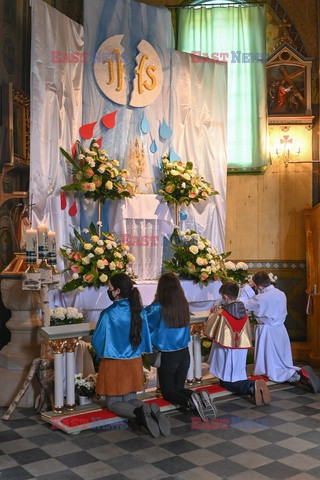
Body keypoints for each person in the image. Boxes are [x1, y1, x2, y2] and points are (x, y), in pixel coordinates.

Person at [91, 273, 171, 437]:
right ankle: (149, 411)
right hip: (134, 360)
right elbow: (145, 337)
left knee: (113, 404)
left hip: (113, 362)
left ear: (118, 291)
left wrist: (101, 354)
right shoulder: (138, 311)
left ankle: (141, 415)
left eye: (110, 288)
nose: (109, 291)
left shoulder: (108, 314)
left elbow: (97, 340)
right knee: (129, 398)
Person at [145, 272, 217, 421]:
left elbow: (143, 322)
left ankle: (190, 402)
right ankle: (199, 398)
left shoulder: (157, 308)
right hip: (184, 354)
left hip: (167, 355)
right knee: (179, 388)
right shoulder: (183, 305)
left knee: (168, 392)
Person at [240, 271, 320, 393]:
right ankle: (296, 372)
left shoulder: (260, 298)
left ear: (259, 286)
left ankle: (298, 374)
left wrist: (247, 288)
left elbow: (243, 305)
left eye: (256, 286)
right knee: (281, 359)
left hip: (267, 331)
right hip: (280, 329)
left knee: (272, 365)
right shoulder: (281, 293)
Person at [206, 282, 271, 406]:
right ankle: (253, 386)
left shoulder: (222, 314)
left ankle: (251, 387)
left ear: (225, 297)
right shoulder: (244, 313)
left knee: (227, 382)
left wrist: (212, 314)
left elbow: (209, 329)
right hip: (240, 350)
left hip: (226, 350)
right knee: (238, 374)